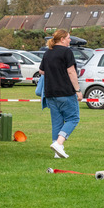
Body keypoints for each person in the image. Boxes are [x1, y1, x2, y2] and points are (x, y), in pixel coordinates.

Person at [38, 29, 83, 158]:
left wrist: (54, 73)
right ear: (62, 39)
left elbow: (41, 71)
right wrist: (78, 90)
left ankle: (57, 151)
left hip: (50, 93)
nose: (70, 40)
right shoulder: (67, 52)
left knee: (57, 122)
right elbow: (71, 72)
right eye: (68, 38)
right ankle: (59, 143)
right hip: (65, 92)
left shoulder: (48, 53)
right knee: (73, 118)